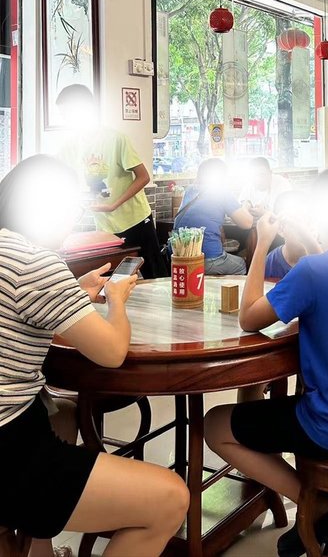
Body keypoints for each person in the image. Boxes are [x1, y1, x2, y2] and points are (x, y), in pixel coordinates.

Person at [204, 166, 328, 557]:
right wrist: (303, 233)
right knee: (294, 406)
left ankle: (317, 506)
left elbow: (249, 317)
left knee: (215, 425)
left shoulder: (312, 272)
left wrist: (261, 243)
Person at [0, 155, 189, 556]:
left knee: (64, 414)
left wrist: (71, 291)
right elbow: (112, 352)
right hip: (8, 445)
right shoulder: (36, 263)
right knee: (171, 499)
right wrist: (116, 299)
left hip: (18, 419)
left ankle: (39, 548)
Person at [56, 85, 165, 278]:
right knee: (114, 280)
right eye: (63, 115)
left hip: (136, 219)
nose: (66, 119)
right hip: (105, 227)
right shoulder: (70, 146)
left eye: (68, 113)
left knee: (155, 275)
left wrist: (114, 204)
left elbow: (144, 177)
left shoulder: (116, 138)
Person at [175, 158, 252, 275]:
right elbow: (247, 223)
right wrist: (246, 206)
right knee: (240, 264)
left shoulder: (189, 190)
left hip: (179, 259)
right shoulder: (220, 191)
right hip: (208, 260)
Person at [264, 191, 320, 280]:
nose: (309, 228)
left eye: (312, 220)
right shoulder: (270, 263)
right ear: (281, 229)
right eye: (299, 221)